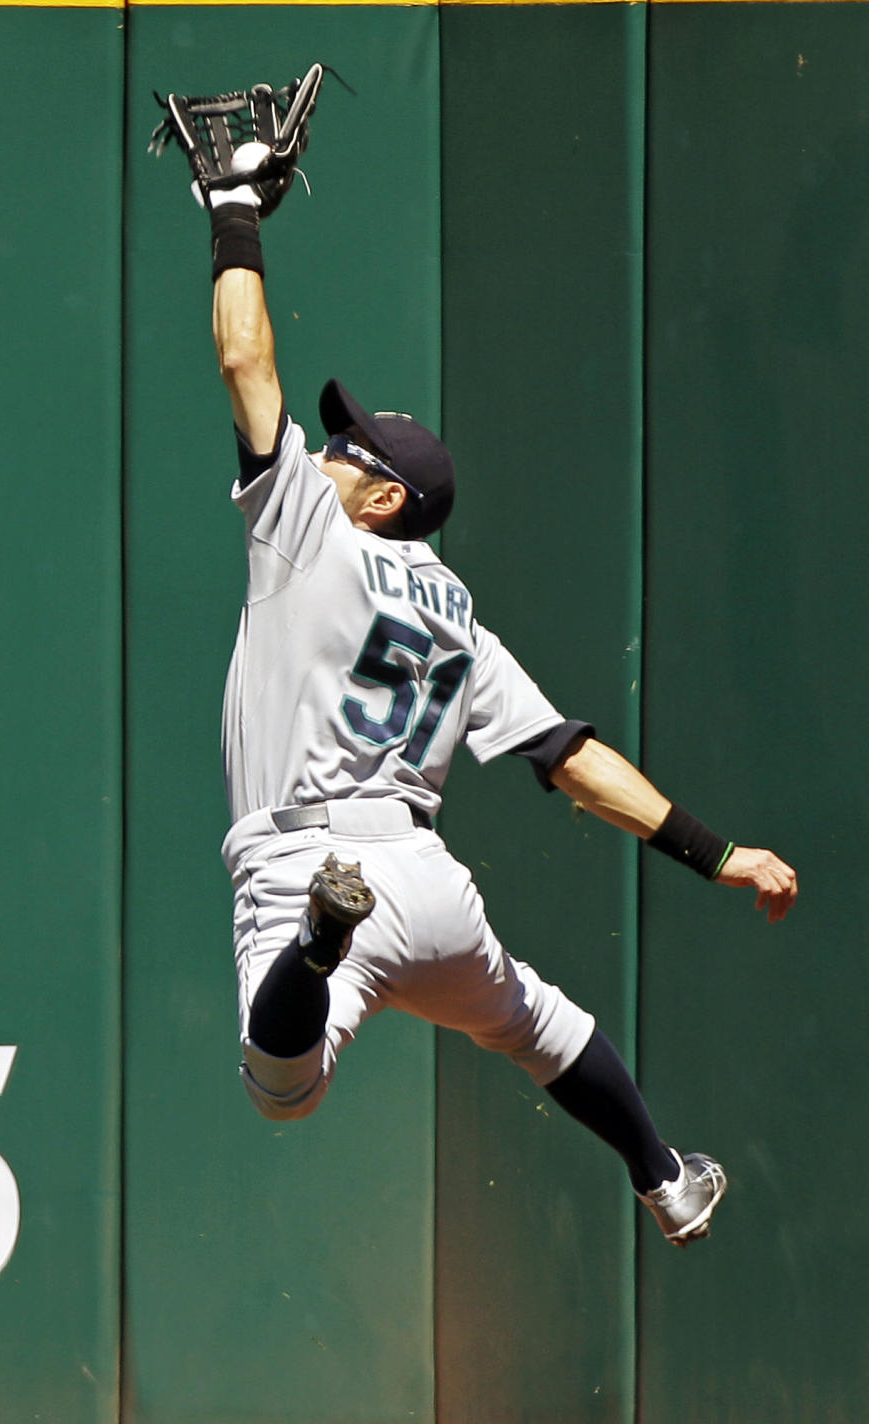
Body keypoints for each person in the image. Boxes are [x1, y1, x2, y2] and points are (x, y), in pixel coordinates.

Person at [196, 142, 798, 1249]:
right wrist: (721, 852)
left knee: (280, 1084)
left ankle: (317, 945)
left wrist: (235, 214)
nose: (325, 451)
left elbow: (244, 361)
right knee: (536, 1020)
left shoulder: (312, 526)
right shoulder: (460, 614)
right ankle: (664, 1175)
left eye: (347, 448)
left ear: (382, 496)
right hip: (427, 882)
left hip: (305, 860)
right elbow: (572, 759)